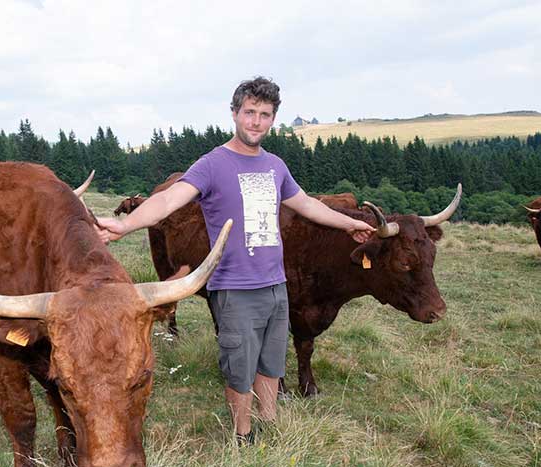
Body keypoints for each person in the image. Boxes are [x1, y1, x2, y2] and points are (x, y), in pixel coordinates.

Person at [96, 76, 374, 444]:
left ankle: (270, 426)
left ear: (273, 119)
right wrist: (125, 224)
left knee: (272, 365)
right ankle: (243, 436)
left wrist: (350, 223)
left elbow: (306, 205)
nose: (256, 122)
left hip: (275, 287)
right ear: (234, 113)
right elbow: (168, 200)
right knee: (239, 371)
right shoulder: (213, 163)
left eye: (264, 114)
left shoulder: (275, 166)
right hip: (234, 289)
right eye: (249, 113)